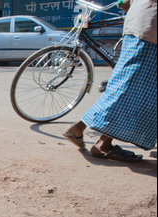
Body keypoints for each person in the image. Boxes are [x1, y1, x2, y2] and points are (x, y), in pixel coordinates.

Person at [63, 0, 157, 162]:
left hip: (137, 25)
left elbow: (124, 4)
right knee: (137, 91)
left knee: (126, 85)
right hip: (151, 31)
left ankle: (102, 141)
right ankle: (83, 129)